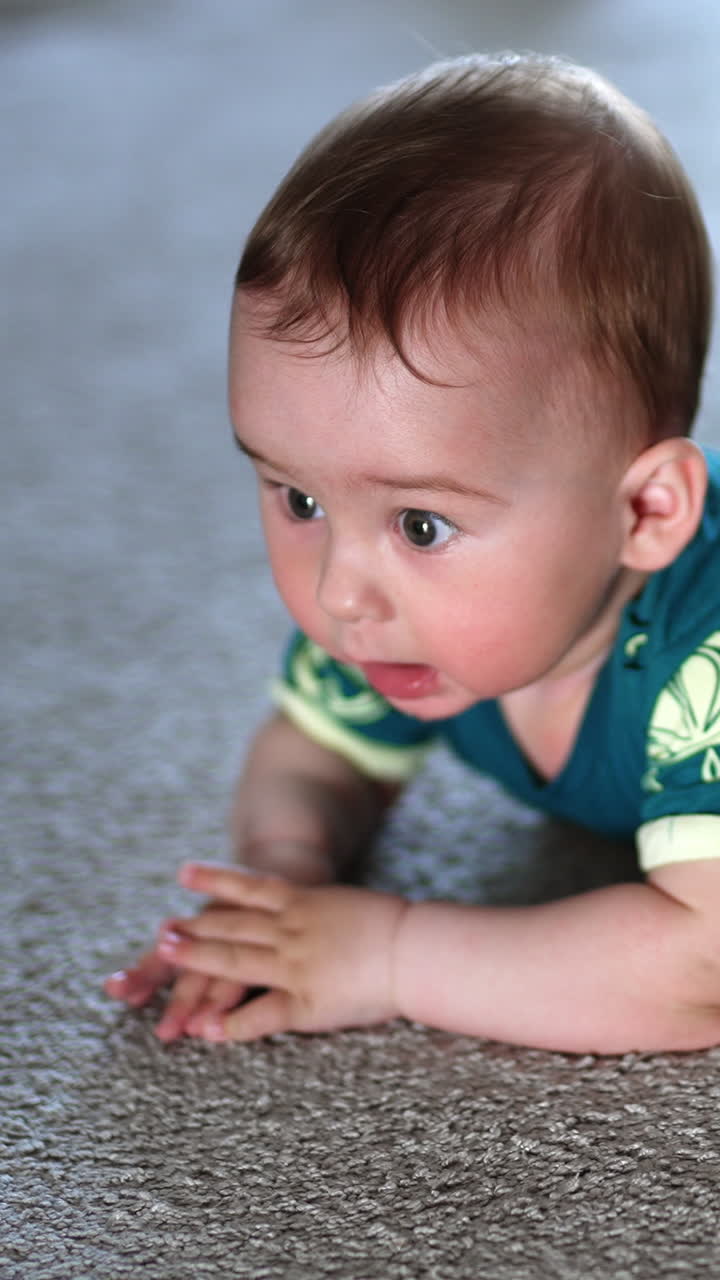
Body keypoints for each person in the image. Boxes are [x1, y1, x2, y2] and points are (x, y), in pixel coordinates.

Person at [106, 52, 720, 1053]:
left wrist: (388, 951)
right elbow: (314, 750)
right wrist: (289, 875)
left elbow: (701, 971)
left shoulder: (707, 655)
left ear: (646, 511)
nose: (340, 590)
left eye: (421, 525)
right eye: (299, 495)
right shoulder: (404, 613)